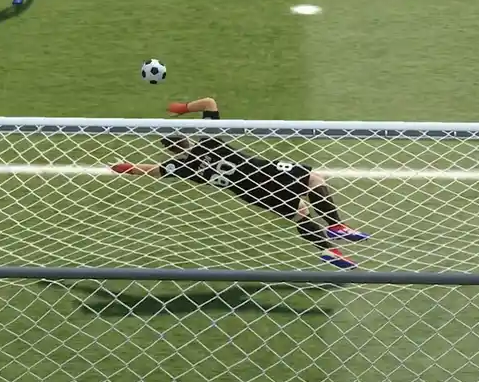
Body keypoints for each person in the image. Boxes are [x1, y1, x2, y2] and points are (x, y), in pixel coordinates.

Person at [110, 97, 369, 270]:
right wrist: (182, 108)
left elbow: (147, 170)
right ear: (187, 138)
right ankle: (335, 225)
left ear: (171, 150)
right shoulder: (208, 140)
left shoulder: (182, 167)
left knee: (300, 213)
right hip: (263, 171)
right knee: (314, 179)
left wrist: (121, 167)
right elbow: (209, 102)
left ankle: (329, 251)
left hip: (249, 192)